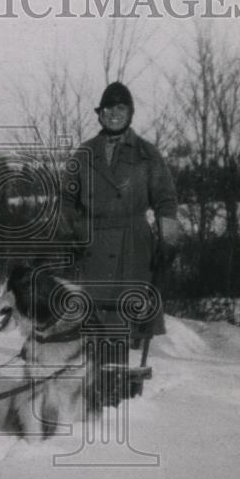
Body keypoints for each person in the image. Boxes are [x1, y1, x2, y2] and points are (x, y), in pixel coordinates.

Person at [59, 81, 180, 343]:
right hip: (91, 247)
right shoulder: (84, 153)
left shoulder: (147, 154)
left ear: (130, 113)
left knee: (123, 324)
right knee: (90, 328)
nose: (114, 114)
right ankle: (92, 381)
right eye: (108, 109)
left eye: (120, 108)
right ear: (100, 114)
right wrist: (71, 236)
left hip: (133, 248)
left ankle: (117, 380)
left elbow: (166, 202)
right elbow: (67, 200)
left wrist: (168, 241)